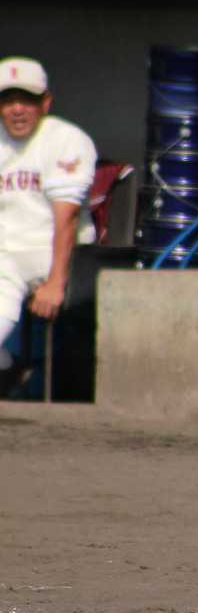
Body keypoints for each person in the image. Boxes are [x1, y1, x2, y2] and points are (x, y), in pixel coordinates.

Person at [0, 57, 97, 394]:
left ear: (45, 102)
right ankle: (6, 365)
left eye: (25, 100)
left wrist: (56, 282)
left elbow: (67, 217)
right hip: (7, 252)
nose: (16, 110)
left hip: (52, 252)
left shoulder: (65, 139)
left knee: (3, 269)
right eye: (8, 101)